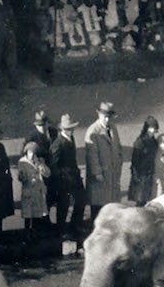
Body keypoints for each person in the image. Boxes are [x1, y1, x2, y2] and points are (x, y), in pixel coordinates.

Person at [85, 101, 124, 225]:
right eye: (104, 116)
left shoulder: (113, 128)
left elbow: (118, 147)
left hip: (112, 174)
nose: (107, 119)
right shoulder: (93, 131)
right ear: (99, 115)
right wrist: (97, 173)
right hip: (100, 177)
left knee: (111, 205)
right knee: (99, 206)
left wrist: (119, 163)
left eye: (109, 116)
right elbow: (92, 155)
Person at [51, 114, 86, 244]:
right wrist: (62, 176)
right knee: (63, 205)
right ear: (62, 130)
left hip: (74, 176)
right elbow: (53, 165)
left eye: (72, 128)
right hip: (64, 180)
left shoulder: (71, 139)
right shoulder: (58, 143)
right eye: (68, 129)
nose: (71, 130)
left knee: (81, 199)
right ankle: (61, 230)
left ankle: (75, 225)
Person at [17, 141, 50, 239]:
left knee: (37, 214)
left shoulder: (40, 161)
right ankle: (27, 234)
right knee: (28, 214)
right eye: (30, 152)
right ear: (26, 152)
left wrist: (40, 165)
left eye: (34, 153)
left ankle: (36, 233)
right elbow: (21, 177)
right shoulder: (22, 162)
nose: (32, 155)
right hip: (28, 191)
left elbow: (47, 174)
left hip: (38, 192)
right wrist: (23, 176)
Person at [128, 117, 161, 205]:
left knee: (146, 199)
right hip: (141, 175)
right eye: (152, 128)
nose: (154, 131)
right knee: (140, 199)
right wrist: (135, 174)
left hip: (149, 174)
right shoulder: (140, 141)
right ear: (147, 128)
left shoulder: (154, 142)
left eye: (155, 129)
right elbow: (134, 160)